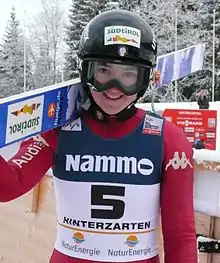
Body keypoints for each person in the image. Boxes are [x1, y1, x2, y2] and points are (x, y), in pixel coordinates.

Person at [0, 9, 197, 263]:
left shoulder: (167, 139)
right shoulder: (58, 131)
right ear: (86, 71)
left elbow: (180, 236)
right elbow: (8, 185)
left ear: (144, 79)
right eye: (103, 71)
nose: (114, 89)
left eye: (128, 75)